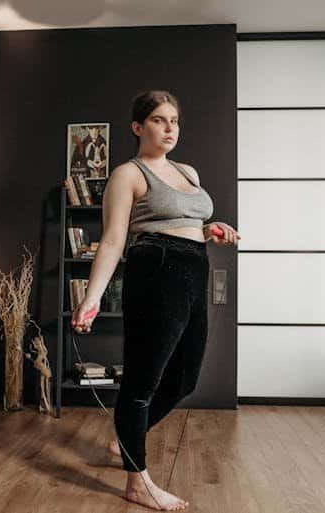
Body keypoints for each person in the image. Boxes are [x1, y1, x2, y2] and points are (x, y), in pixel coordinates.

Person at [71, 90, 240, 511]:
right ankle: (137, 481)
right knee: (143, 380)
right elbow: (112, 240)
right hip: (156, 271)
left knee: (185, 378)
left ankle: (128, 434)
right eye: (160, 120)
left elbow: (187, 224)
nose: (170, 128)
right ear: (138, 127)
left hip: (192, 269)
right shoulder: (127, 175)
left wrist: (211, 228)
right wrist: (91, 298)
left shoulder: (188, 171)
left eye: (175, 121)